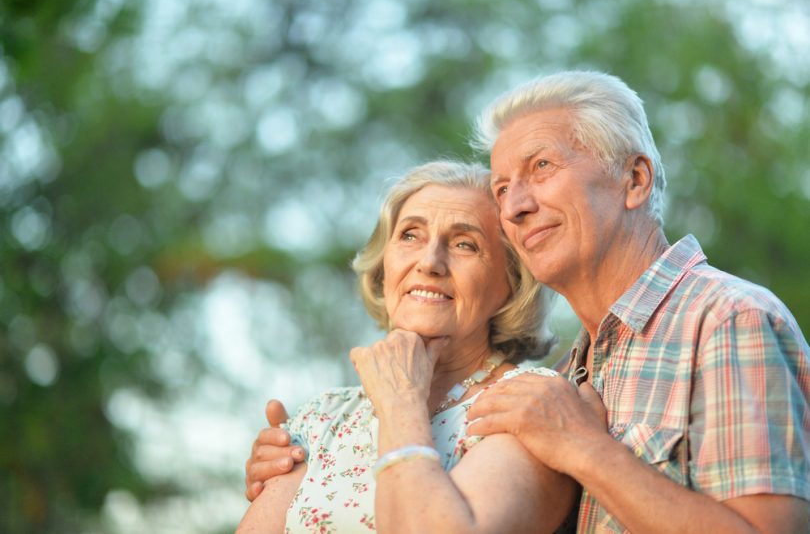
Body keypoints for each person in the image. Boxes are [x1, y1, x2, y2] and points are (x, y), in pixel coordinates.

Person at [244, 71, 810, 533]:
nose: (515, 206)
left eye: (541, 167)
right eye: (500, 187)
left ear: (634, 180)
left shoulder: (728, 320)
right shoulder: (577, 371)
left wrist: (585, 449)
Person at [236, 160, 577, 533]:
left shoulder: (530, 405)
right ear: (384, 267)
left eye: (465, 244)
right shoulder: (324, 415)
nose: (429, 263)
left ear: (512, 283)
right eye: (410, 236)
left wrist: (401, 403)